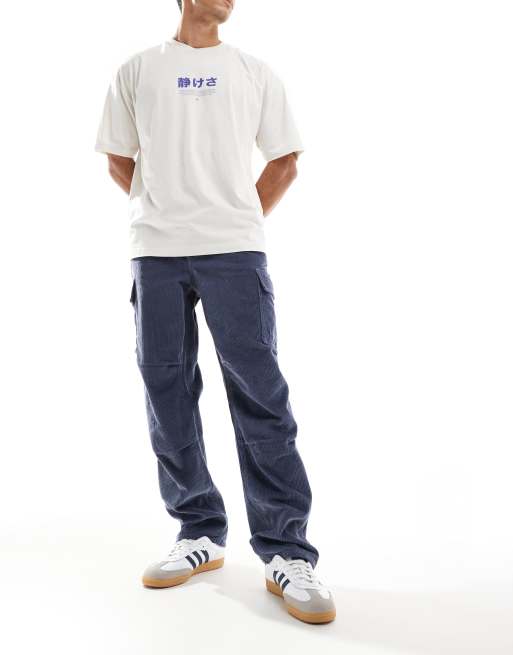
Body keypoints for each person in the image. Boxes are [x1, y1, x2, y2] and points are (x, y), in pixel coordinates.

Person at [95, 0, 335, 624]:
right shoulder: (137, 69)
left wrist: (233, 218)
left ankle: (287, 551)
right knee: (167, 390)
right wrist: (168, 209)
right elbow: (119, 159)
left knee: (260, 392)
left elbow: (285, 160)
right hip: (156, 254)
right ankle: (198, 530)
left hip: (236, 253)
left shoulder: (254, 71)